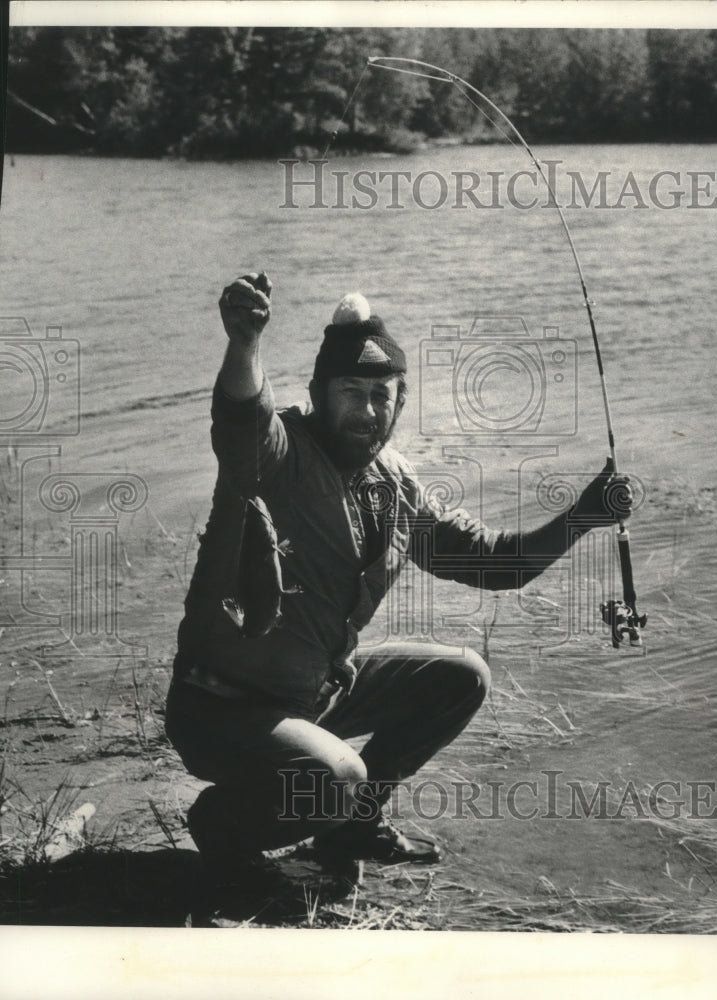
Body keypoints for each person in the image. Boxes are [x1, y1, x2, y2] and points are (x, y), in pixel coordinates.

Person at [165, 270, 630, 894]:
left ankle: (350, 827)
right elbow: (241, 415)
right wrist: (245, 343)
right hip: (221, 708)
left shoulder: (398, 488)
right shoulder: (275, 453)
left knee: (461, 677)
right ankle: (226, 825)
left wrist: (584, 516)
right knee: (338, 777)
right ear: (317, 393)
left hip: (312, 697)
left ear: (402, 403)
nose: (366, 409)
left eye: (381, 395)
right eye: (350, 391)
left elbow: (498, 564)